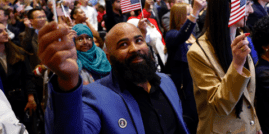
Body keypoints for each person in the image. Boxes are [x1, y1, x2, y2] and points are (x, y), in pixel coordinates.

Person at [39, 22, 189, 134]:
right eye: (123, 44)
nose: (135, 48)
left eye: (138, 40)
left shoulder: (166, 82)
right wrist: (68, 81)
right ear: (109, 58)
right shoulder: (94, 96)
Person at [187, 0, 262, 134]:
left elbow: (248, 96)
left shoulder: (241, 38)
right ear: (230, 7)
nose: (251, 10)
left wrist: (255, 126)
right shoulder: (198, 52)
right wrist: (237, 65)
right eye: (247, 3)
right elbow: (220, 105)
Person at [165, 0, 205, 133]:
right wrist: (195, 12)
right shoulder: (171, 35)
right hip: (184, 83)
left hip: (196, 78)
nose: (192, 16)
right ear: (179, 16)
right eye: (188, 13)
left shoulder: (192, 35)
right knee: (190, 115)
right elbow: (181, 36)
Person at [0, 23, 37, 133]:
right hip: (5, 102)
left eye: (5, 30)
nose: (5, 33)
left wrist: (31, 97)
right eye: (1, 31)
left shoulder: (18, 51)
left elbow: (28, 77)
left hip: (23, 99)